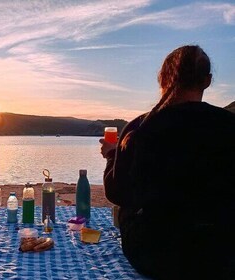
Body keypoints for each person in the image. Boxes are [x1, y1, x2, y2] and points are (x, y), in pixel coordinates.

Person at [100, 45, 235, 279]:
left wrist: (113, 155)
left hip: (157, 256)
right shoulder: (229, 125)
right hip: (221, 257)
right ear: (207, 81)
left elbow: (117, 193)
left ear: (162, 78)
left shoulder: (140, 128)